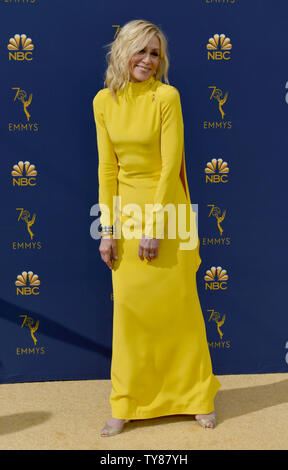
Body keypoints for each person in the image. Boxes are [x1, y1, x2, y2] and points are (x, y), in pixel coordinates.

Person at [92, 19, 221, 437]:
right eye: (142, 50)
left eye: (156, 53)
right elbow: (107, 170)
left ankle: (196, 397)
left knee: (180, 309)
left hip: (168, 212)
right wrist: (108, 230)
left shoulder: (167, 97)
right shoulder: (103, 102)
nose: (149, 60)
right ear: (123, 50)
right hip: (125, 213)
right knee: (129, 313)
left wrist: (156, 225)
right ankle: (126, 402)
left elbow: (170, 168)